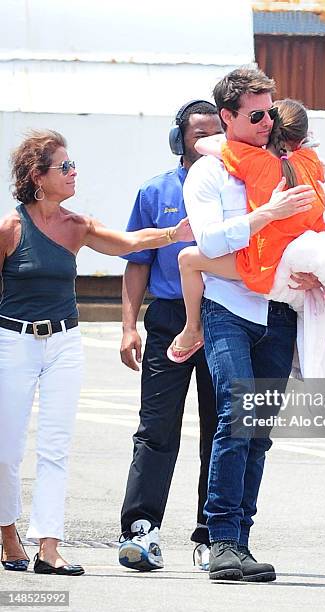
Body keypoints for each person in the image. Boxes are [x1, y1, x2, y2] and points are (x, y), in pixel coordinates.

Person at [0, 129, 193, 576]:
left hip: (65, 341)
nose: (73, 173)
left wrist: (171, 233)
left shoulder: (76, 225)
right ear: (37, 176)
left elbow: (126, 244)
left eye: (73, 165)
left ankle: (49, 545)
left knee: (56, 447)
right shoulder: (10, 228)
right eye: (64, 167)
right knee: (7, 450)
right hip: (13, 340)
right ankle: (8, 536)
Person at [182, 68, 322, 582]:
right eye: (255, 114)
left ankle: (240, 542)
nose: (267, 122)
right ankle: (219, 540)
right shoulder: (210, 172)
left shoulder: (285, 165)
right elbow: (210, 242)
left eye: (270, 111)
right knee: (235, 420)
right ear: (227, 117)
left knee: (258, 432)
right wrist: (266, 213)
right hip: (229, 310)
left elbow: (302, 232)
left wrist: (310, 267)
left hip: (279, 310)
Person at [117, 100, 221, 572]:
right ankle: (141, 529)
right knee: (156, 428)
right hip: (167, 322)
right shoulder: (155, 190)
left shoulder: (235, 188)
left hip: (224, 320)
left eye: (216, 132)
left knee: (219, 431)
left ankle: (212, 534)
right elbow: (136, 265)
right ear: (179, 139)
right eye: (198, 134)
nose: (208, 142)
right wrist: (128, 326)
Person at [167, 98, 325, 361]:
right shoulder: (311, 164)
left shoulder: (255, 162)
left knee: (187, 259)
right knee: (267, 400)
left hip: (261, 267)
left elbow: (201, 144)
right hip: (291, 269)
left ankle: (192, 327)